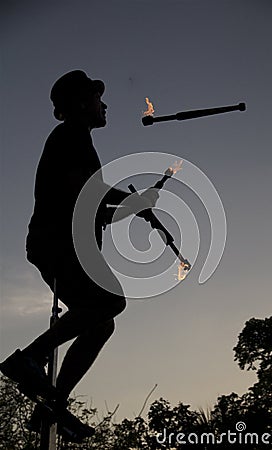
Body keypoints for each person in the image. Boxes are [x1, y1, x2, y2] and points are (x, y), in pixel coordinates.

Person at [0, 70, 159, 435]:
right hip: (57, 241)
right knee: (110, 302)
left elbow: (93, 206)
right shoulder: (70, 135)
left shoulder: (76, 139)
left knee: (101, 321)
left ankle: (51, 404)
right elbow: (88, 192)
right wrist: (133, 200)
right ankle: (29, 358)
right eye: (97, 98)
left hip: (60, 242)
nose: (104, 105)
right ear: (81, 102)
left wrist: (133, 206)